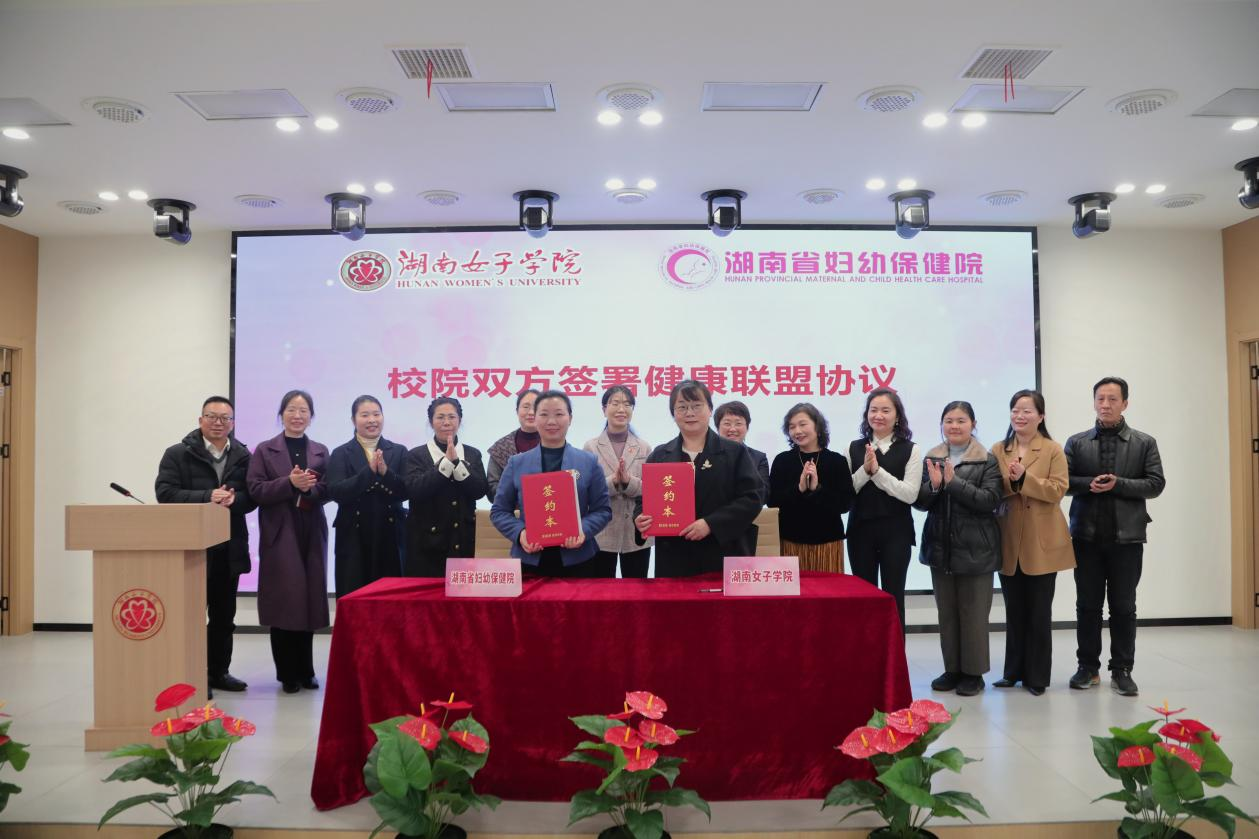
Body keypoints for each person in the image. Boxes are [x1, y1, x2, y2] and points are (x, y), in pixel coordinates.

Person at [1064, 377, 1166, 697]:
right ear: (1094, 402)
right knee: (1087, 606)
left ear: (1125, 403)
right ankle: (1087, 667)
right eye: (1100, 399)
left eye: (1112, 399)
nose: (1105, 405)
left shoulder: (1144, 442)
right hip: (1086, 538)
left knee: (1123, 607)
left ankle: (1122, 670)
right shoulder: (1077, 442)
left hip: (1128, 539)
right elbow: (1062, 482)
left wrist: (1118, 484)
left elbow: (1156, 484)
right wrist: (1088, 484)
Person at [155, 396, 257, 696]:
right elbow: (165, 493)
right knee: (190, 617)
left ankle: (219, 672)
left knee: (224, 617)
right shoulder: (177, 453)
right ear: (200, 420)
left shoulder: (243, 455)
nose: (218, 423)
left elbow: (253, 497)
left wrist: (234, 499)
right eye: (212, 416)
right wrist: (207, 496)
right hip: (191, 550)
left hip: (229, 547)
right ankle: (191, 675)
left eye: (225, 418)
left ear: (233, 424)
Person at [913, 401, 1003, 697]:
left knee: (974, 614)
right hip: (941, 547)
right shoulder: (932, 457)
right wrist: (934, 486)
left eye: (961, 420)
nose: (954, 426)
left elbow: (990, 500)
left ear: (973, 424)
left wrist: (952, 483)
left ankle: (973, 674)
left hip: (977, 547)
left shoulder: (986, 459)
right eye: (949, 420)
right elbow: (921, 502)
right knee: (948, 613)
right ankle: (952, 669)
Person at [991, 389, 1075, 696]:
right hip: (1009, 537)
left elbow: (1057, 490)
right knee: (1014, 611)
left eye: (1027, 411)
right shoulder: (999, 449)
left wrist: (1025, 479)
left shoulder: (1052, 449)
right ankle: (1012, 672)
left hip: (1042, 540)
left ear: (1041, 416)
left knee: (1039, 612)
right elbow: (992, 488)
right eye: (1015, 410)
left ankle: (1037, 676)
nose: (1020, 416)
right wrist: (1013, 481)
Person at [245, 390, 330, 695]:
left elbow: (327, 490)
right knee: (285, 601)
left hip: (311, 530)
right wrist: (289, 483)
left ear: (311, 416)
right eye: (291, 409)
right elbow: (255, 490)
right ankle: (287, 674)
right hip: (281, 531)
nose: (297, 415)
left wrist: (309, 490)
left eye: (303, 410)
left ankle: (306, 671)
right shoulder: (264, 450)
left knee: (308, 601)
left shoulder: (320, 450)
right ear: (281, 414)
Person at [634, 380, 762, 577]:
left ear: (710, 409)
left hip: (720, 554)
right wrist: (640, 519)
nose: (689, 413)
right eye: (682, 407)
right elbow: (643, 500)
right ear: (673, 414)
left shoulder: (734, 452)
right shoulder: (660, 455)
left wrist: (712, 524)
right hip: (673, 559)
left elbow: (752, 498)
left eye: (696, 406)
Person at [491, 390, 612, 576]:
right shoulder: (517, 463)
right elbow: (499, 511)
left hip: (578, 560)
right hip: (530, 559)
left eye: (559, 414)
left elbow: (603, 510)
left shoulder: (589, 462)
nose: (551, 421)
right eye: (544, 414)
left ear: (570, 418)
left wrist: (582, 530)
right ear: (535, 418)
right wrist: (520, 533)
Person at [846, 387, 923, 627]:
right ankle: (865, 649)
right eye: (873, 410)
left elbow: (909, 494)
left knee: (893, 596)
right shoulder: (853, 447)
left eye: (885, 410)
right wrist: (865, 470)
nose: (878, 415)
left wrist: (877, 472)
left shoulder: (911, 449)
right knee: (863, 598)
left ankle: (894, 651)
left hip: (896, 532)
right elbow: (846, 492)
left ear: (897, 416)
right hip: (860, 531)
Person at [325, 395, 408, 597]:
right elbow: (336, 491)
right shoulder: (341, 453)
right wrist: (368, 473)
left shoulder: (398, 451)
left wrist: (386, 473)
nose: (372, 420)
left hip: (390, 534)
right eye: (365, 415)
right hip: (353, 535)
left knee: (391, 597)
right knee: (355, 594)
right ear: (353, 420)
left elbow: (406, 491)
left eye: (376, 414)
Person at [404, 397, 489, 577]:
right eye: (440, 417)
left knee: (464, 592)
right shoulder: (416, 455)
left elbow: (480, 490)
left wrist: (457, 463)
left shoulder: (472, 454)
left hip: (464, 540)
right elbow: (414, 490)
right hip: (427, 544)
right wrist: (445, 465)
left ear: (459, 420)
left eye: (452, 417)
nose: (446, 422)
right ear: (431, 422)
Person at [767, 402, 855, 573]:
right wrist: (799, 489)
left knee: (828, 589)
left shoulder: (836, 461)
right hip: (790, 541)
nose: (797, 431)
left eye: (802, 424)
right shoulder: (782, 460)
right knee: (793, 590)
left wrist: (817, 489)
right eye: (792, 427)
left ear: (818, 427)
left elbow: (845, 504)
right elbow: (772, 502)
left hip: (828, 543)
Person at [583, 385, 653, 578]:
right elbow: (586, 492)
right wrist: (613, 481)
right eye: (615, 403)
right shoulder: (591, 447)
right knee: (601, 590)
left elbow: (652, 491)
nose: (621, 409)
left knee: (637, 588)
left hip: (636, 530)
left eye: (627, 404)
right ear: (604, 409)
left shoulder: (644, 447)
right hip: (602, 532)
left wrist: (629, 482)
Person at [486, 389, 541, 501]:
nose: (531, 412)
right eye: (526, 407)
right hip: (512, 510)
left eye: (536, 407)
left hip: (548, 507)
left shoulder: (554, 444)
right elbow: (491, 488)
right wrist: (520, 495)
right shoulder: (501, 447)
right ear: (517, 411)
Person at [714, 400, 770, 502]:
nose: (732, 429)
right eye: (727, 423)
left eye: (738, 423)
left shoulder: (759, 458)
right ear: (717, 427)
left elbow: (764, 494)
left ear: (747, 427)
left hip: (747, 511)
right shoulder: (707, 455)